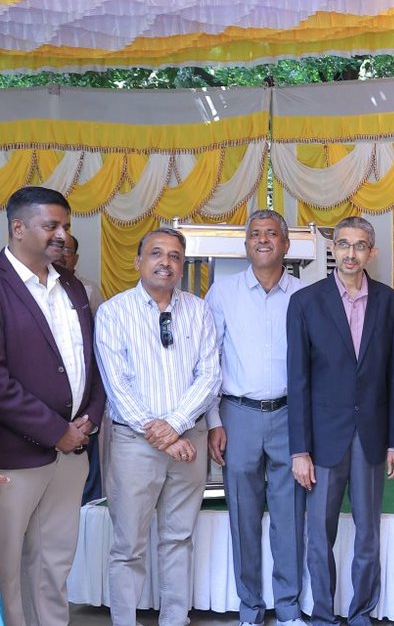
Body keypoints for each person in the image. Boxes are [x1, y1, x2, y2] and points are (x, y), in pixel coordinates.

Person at [96, 227, 221, 626]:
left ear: (182, 265)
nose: (165, 262)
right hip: (136, 444)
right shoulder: (114, 312)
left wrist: (177, 426)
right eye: (156, 253)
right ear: (138, 261)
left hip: (190, 439)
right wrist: (165, 435)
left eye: (174, 256)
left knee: (178, 539)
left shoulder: (199, 310)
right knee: (128, 545)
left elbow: (209, 376)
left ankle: (174, 619)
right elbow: (117, 384)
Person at [287, 216, 394, 626]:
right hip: (322, 441)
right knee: (320, 536)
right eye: (343, 245)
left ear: (371, 251)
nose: (350, 253)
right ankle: (322, 616)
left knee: (367, 534)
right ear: (332, 250)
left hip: (371, 437)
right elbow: (297, 381)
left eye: (359, 246)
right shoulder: (306, 302)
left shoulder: (390, 303)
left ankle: (361, 615)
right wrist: (300, 449)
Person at [0, 186, 105, 626]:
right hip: (16, 457)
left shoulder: (74, 288)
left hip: (72, 454)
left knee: (54, 564)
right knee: (9, 569)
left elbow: (94, 363)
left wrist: (89, 420)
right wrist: (55, 430)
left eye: (66, 225)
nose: (62, 235)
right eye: (51, 226)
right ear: (18, 227)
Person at [205, 210, 307, 626]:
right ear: (245, 244)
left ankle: (287, 609)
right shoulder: (222, 293)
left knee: (289, 518)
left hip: (290, 417)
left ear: (286, 244)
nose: (263, 239)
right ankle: (250, 609)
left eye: (272, 233)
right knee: (243, 517)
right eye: (254, 234)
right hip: (238, 416)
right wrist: (214, 420)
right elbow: (208, 361)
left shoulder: (305, 294)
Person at [55, 232, 109, 505]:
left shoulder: (86, 290)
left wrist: (92, 413)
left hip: (84, 409)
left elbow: (99, 349)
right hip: (41, 415)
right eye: (58, 246)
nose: (62, 253)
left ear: (75, 258)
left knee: (87, 484)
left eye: (68, 250)